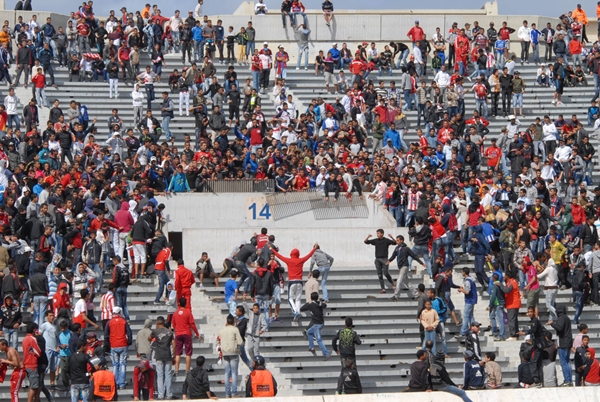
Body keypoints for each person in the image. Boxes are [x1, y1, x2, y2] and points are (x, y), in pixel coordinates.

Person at [269, 243, 317, 322]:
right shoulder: (301, 260)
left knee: (290, 298)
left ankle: (295, 312)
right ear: (298, 254)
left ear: (291, 254)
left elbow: (279, 256)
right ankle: (297, 312)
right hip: (300, 282)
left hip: (292, 282)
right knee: (298, 299)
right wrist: (314, 248)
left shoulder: (289, 260)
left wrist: (271, 249)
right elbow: (309, 255)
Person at [104, 306, 133, 390]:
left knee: (115, 365)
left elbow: (106, 335)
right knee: (123, 364)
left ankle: (115, 383)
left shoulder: (109, 322)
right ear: (119, 313)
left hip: (113, 345)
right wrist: (129, 342)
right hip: (123, 344)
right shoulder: (124, 321)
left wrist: (107, 344)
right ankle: (122, 384)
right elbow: (129, 333)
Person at [388, 234, 423, 301]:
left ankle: (396, 296)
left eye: (398, 240)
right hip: (400, 267)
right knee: (407, 282)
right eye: (396, 240)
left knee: (399, 281)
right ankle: (416, 294)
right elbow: (393, 256)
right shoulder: (397, 248)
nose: (397, 241)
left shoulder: (406, 248)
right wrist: (389, 261)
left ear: (402, 241)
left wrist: (421, 262)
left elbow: (414, 256)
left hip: (404, 266)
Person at [172, 298, 201, 375]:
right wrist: (197, 334)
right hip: (187, 333)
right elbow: (192, 324)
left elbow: (173, 324)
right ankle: (187, 370)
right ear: (186, 303)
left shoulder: (175, 313)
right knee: (188, 353)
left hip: (178, 333)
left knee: (178, 353)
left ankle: (176, 370)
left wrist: (177, 329)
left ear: (179, 304)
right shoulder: (188, 312)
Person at [149, 316, 175, 400]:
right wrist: (174, 355)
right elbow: (174, 344)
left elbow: (149, 338)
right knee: (168, 375)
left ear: (157, 323)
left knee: (160, 375)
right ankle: (169, 394)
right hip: (167, 355)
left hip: (159, 355)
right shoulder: (169, 332)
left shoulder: (155, 331)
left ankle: (160, 395)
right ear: (164, 322)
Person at [218, 315, 243, 398]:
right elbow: (240, 342)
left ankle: (227, 393)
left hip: (225, 353)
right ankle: (234, 392)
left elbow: (217, 342)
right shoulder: (235, 329)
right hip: (234, 352)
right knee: (234, 373)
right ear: (233, 322)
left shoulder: (221, 330)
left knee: (226, 373)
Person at [300, 292, 331, 360]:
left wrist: (308, 303)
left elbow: (301, 309)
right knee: (309, 332)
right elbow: (325, 305)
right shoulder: (320, 303)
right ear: (317, 297)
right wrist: (321, 302)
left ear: (311, 298)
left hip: (317, 324)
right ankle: (311, 347)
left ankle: (326, 354)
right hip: (321, 323)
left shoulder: (310, 305)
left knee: (319, 340)